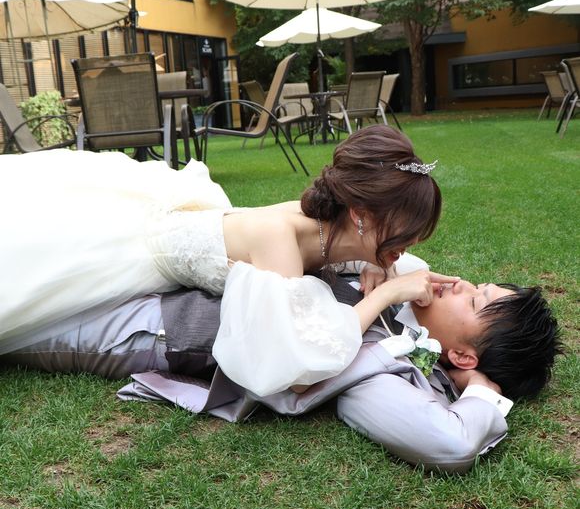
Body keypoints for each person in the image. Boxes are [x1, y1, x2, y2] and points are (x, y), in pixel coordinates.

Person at [0, 125, 457, 394]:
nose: (415, 239)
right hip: (132, 253)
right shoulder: (279, 239)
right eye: (406, 228)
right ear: (360, 214)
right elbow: (295, 362)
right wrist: (387, 293)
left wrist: (383, 264)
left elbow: (363, 258)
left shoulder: (333, 228)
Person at [1, 257, 561, 473]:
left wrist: (481, 390)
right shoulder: (399, 284)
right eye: (478, 284)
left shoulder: (387, 369)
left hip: (159, 325)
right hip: (171, 274)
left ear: (462, 355)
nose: (459, 283)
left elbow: (448, 443)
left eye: (474, 300)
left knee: (16, 316)